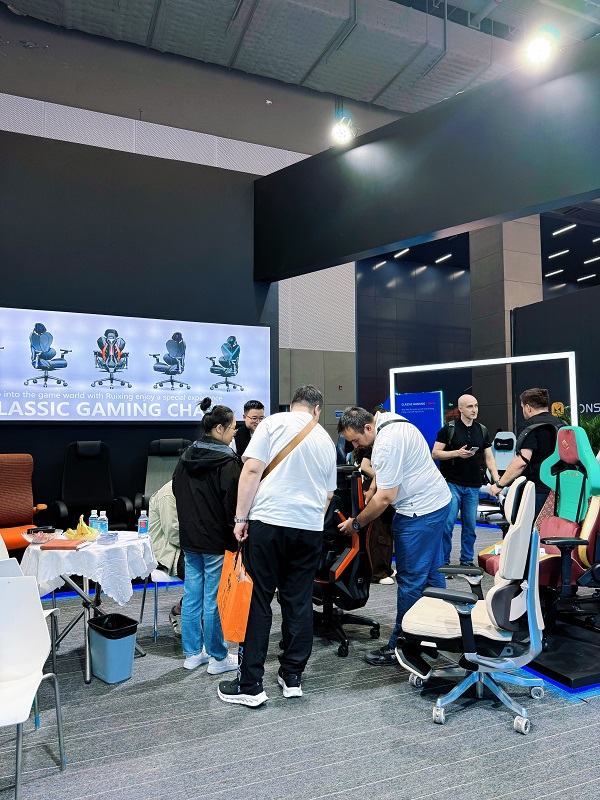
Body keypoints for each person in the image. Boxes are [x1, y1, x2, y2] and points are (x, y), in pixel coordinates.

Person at [217, 385, 337, 707]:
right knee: (298, 601)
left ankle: (250, 684)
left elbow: (252, 470)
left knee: (257, 600)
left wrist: (240, 518)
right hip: (309, 529)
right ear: (316, 410)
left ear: (293, 405)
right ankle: (292, 676)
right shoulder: (325, 439)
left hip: (268, 523)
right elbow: (328, 496)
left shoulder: (272, 423)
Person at [337, 406, 451, 666]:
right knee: (432, 576)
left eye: (356, 440)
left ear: (368, 427)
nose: (356, 446)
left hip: (419, 512)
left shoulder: (386, 443)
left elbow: (385, 499)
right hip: (437, 502)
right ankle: (434, 637)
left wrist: (357, 523)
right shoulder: (390, 420)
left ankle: (402, 645)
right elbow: (390, 470)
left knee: (411, 581)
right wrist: (374, 488)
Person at [172, 398, 241, 674]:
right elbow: (233, 504)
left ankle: (192, 654)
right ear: (220, 428)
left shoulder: (185, 457)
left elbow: (176, 492)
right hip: (216, 540)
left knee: (192, 596)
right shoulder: (228, 462)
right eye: (233, 428)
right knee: (213, 599)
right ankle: (218, 657)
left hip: (190, 538)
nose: (235, 433)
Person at [432, 394, 499, 570]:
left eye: (476, 406)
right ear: (460, 408)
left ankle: (467, 560)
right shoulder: (448, 429)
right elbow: (435, 453)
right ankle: (444, 562)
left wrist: (497, 480)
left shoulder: (482, 430)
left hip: (473, 485)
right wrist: (456, 453)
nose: (474, 409)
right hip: (451, 483)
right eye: (470, 406)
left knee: (470, 526)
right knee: (447, 525)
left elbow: (489, 457)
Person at [490, 387, 564, 516]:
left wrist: (499, 485)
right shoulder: (562, 425)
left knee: (532, 527)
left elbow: (521, 462)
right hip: (560, 489)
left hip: (536, 491)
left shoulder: (530, 427)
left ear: (528, 407)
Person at [352, 446, 395, 584]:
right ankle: (377, 572)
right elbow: (365, 466)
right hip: (375, 491)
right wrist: (384, 478)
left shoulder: (383, 445)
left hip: (381, 489)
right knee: (377, 531)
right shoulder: (377, 445)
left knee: (386, 530)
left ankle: (385, 568)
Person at [148, 480, 184, 637]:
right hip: (169, 551)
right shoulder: (168, 493)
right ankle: (179, 611)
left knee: (217, 570)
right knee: (203, 574)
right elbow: (173, 533)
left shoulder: (189, 488)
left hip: (187, 547)